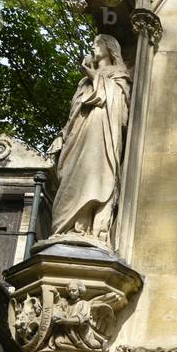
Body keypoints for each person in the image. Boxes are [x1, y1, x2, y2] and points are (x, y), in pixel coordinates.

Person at [50, 34, 131, 244]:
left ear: (109, 47)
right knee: (73, 176)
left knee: (97, 174)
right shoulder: (83, 81)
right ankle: (68, 228)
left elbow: (121, 110)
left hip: (101, 131)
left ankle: (90, 229)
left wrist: (95, 77)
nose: (93, 48)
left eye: (97, 44)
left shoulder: (118, 74)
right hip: (78, 134)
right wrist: (62, 135)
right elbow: (74, 111)